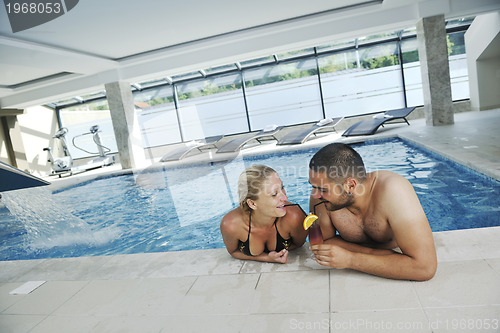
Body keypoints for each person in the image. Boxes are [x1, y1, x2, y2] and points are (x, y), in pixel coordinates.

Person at [308, 143, 437, 281]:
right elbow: (323, 243)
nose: (314, 195)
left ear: (351, 185)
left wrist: (350, 260)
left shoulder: (393, 191)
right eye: (313, 187)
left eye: (322, 189)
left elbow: (425, 267)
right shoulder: (322, 199)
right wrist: (378, 254)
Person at [220, 165, 308, 263]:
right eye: (274, 194)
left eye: (282, 188)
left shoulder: (294, 217)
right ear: (252, 203)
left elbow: (298, 244)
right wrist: (265, 258)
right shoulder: (231, 225)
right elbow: (233, 251)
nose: (285, 198)